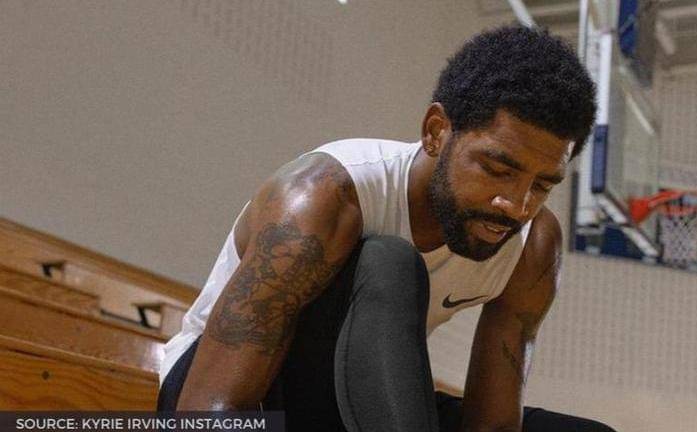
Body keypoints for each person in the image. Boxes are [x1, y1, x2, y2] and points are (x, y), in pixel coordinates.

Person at [156, 25, 616, 432]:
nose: (515, 205)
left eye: (542, 185)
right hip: (225, 393)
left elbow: (492, 423)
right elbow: (208, 406)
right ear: (436, 131)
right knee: (390, 261)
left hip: (352, 398)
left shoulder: (533, 244)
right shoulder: (324, 196)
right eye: (497, 170)